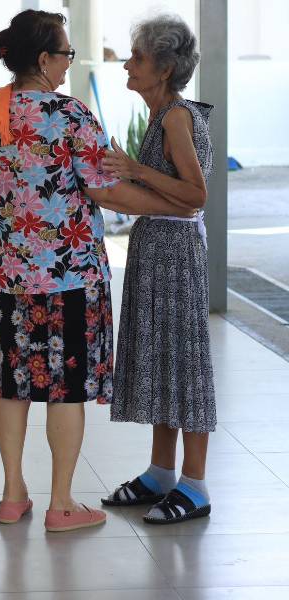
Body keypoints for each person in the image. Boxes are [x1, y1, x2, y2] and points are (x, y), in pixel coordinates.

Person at [0, 9, 193, 532]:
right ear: (43, 59)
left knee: (13, 387)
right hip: (72, 281)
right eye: (65, 54)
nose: (68, 62)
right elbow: (107, 190)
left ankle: (12, 495)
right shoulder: (69, 115)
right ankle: (61, 504)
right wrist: (173, 207)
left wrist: (17, 212)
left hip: (12, 280)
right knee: (65, 389)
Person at [96, 15, 216, 525]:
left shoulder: (175, 119)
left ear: (164, 69)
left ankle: (195, 485)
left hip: (175, 256)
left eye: (138, 57)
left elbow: (196, 194)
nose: (128, 64)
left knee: (184, 365)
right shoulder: (164, 114)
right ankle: (161, 473)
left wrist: (135, 170)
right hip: (158, 252)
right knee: (163, 361)